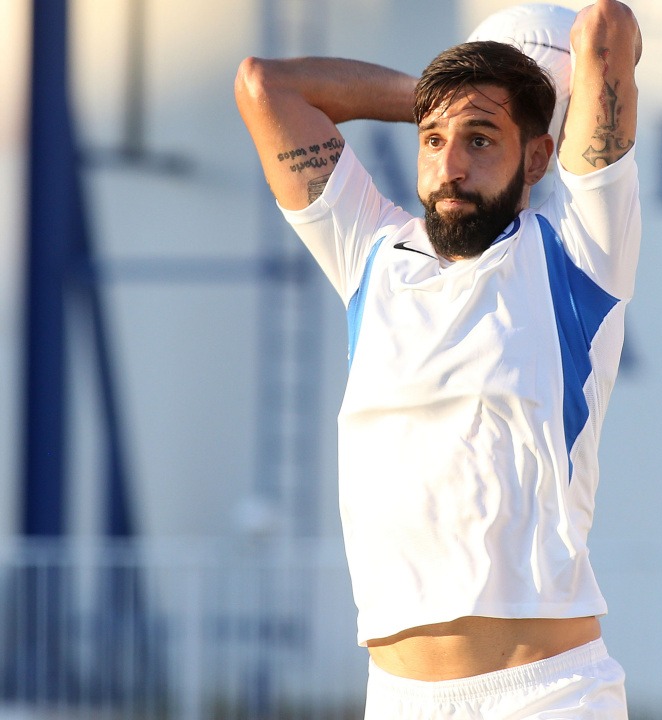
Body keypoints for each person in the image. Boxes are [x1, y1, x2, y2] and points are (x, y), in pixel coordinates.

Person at [233, 1, 641, 717]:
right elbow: (265, 86)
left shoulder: (576, 257)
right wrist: (447, 95)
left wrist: (532, 87)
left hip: (549, 695)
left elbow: (605, 27)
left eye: (481, 140)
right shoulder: (370, 254)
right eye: (433, 138)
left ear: (537, 156)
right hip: (399, 699)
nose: (450, 166)